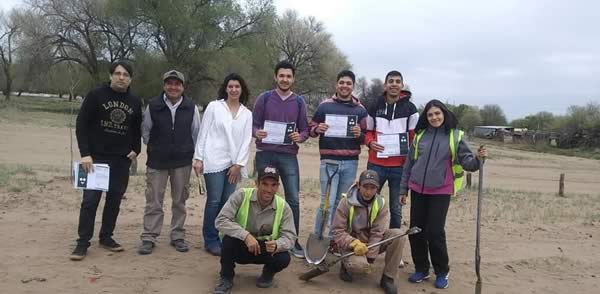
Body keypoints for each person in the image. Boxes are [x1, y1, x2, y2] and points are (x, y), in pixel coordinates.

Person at [399, 99, 488, 289]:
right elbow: (409, 165)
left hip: (440, 191)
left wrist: (479, 159)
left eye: (437, 113)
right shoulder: (420, 135)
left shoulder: (455, 136)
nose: (434, 117)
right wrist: (403, 189)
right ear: (426, 117)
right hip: (417, 190)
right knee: (416, 230)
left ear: (444, 114)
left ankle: (442, 271)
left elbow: (468, 164)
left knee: (435, 232)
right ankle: (421, 268)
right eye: (430, 114)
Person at [70, 61, 142, 260]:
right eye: (117, 73)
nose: (121, 77)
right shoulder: (96, 95)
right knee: (90, 201)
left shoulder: (135, 101)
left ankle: (106, 237)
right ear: (111, 75)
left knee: (114, 201)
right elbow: (81, 125)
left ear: (130, 78)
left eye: (125, 74)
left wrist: (136, 150)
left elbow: (136, 130)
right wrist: (85, 153)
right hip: (94, 159)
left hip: (120, 160)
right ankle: (82, 242)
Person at [138, 70, 201, 255]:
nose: (173, 87)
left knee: (180, 200)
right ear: (164, 85)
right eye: (169, 83)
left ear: (183, 86)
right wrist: (158, 147)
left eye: (177, 84)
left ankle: (178, 235)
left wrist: (192, 153)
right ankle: (149, 236)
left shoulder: (191, 107)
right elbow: (146, 131)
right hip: (157, 161)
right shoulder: (153, 105)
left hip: (182, 162)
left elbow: (196, 133)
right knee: (153, 200)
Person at [252, 61, 310, 258]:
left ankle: (292, 240)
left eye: (289, 76)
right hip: (265, 153)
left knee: (292, 198)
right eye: (281, 76)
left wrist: (299, 137)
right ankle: (260, 235)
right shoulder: (264, 98)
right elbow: (253, 125)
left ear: (293, 79)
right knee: (262, 196)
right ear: (275, 77)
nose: (285, 79)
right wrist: (257, 133)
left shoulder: (300, 102)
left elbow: (305, 129)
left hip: (288, 156)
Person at [193, 73, 253, 256]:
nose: (234, 90)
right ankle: (210, 239)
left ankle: (221, 235)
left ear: (242, 90)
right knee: (214, 200)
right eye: (230, 86)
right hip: (214, 161)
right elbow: (203, 133)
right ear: (225, 88)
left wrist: (239, 164)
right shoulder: (214, 107)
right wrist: (198, 157)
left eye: (237, 86)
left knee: (227, 202)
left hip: (234, 164)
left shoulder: (247, 114)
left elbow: (246, 141)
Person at [213, 165, 296, 293]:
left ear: (278, 187)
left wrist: (277, 245)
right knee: (228, 241)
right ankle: (226, 277)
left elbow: (290, 237)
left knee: (283, 258)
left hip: (265, 249)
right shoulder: (241, 195)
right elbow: (220, 220)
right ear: (256, 183)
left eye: (273, 185)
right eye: (265, 184)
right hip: (241, 245)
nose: (269, 189)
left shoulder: (284, 207)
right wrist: (245, 236)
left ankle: (268, 273)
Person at [309, 70, 368, 237]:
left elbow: (366, 137)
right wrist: (317, 129)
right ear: (337, 84)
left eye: (348, 83)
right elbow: (311, 129)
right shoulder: (324, 106)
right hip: (328, 161)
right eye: (342, 82)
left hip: (350, 162)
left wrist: (360, 135)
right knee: (325, 202)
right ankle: (318, 236)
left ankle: (334, 238)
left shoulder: (360, 110)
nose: (345, 86)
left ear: (353, 86)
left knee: (341, 202)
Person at [332, 170, 406, 294]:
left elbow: (378, 231)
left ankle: (388, 278)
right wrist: (353, 243)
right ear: (358, 185)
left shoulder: (381, 203)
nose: (368, 192)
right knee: (360, 267)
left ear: (377, 188)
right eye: (365, 187)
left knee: (398, 235)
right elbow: (338, 232)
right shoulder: (346, 202)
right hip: (350, 245)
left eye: (373, 188)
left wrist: (370, 257)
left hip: (371, 243)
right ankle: (345, 265)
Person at [365, 70, 418, 229]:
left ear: (402, 85)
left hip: (399, 167)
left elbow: (413, 137)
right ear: (385, 85)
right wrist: (370, 143)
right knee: (370, 203)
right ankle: (368, 239)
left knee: (396, 209)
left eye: (397, 81)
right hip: (376, 164)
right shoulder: (374, 105)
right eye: (391, 81)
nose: (394, 84)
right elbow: (368, 132)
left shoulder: (411, 109)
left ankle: (393, 244)